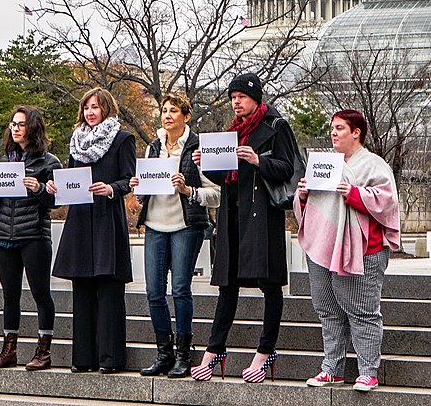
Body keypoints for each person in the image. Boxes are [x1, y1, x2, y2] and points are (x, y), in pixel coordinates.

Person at [190, 73, 297, 383]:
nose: (236, 102)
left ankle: (265, 353)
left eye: (242, 96)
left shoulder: (276, 125)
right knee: (227, 283)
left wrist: (258, 160)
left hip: (263, 215)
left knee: (269, 282)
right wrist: (204, 162)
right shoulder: (231, 132)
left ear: (256, 98)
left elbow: (287, 167)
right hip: (233, 215)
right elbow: (226, 176)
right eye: (233, 97)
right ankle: (214, 350)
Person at [294, 109, 400, 393]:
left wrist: (353, 193)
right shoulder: (324, 163)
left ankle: (368, 371)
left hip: (363, 249)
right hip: (322, 247)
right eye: (332, 128)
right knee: (327, 310)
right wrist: (302, 195)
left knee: (363, 311)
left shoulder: (374, 165)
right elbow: (309, 206)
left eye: (340, 128)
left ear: (356, 132)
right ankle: (332, 368)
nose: (333, 133)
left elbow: (387, 202)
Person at [131, 94, 220, 378]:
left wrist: (188, 191)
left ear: (186, 116)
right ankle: (164, 353)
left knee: (180, 289)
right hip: (155, 225)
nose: (167, 115)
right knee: (153, 292)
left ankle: (184, 354)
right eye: (164, 110)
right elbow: (145, 192)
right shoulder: (153, 147)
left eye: (174, 110)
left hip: (186, 226)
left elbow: (216, 194)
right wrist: (139, 189)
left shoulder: (197, 148)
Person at [49, 87, 136, 373]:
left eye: (95, 107)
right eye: (86, 107)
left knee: (108, 291)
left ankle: (110, 359)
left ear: (107, 109)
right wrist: (56, 188)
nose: (90, 112)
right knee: (82, 290)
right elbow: (71, 180)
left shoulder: (123, 139)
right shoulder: (77, 141)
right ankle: (83, 358)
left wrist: (111, 188)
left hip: (107, 218)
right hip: (80, 221)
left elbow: (129, 180)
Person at [0, 106, 62, 370]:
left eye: (21, 124)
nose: (14, 128)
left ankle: (43, 351)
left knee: (40, 293)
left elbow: (55, 202)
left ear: (33, 128)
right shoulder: (5, 162)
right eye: (12, 124)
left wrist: (38, 188)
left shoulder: (49, 162)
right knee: (9, 295)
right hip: (4, 235)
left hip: (34, 235)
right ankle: (9, 350)